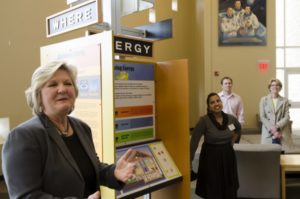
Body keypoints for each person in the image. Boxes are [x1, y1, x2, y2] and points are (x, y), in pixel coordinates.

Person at [2, 61, 138, 199]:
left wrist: (113, 173)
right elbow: (26, 196)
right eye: (53, 84)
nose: (62, 89)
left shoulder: (82, 128)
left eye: (68, 83)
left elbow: (91, 168)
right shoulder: (23, 136)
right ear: (38, 96)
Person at [190, 92, 241, 199]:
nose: (216, 104)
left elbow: (238, 129)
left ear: (221, 102)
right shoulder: (204, 121)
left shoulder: (231, 118)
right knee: (213, 186)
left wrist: (232, 142)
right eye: (212, 102)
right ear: (208, 106)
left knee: (228, 184)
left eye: (218, 101)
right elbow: (194, 140)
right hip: (210, 157)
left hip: (227, 155)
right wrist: (189, 161)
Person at [259, 78, 294, 152]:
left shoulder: (285, 100)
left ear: (280, 87)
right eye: (273, 85)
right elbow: (262, 117)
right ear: (269, 87)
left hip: (282, 131)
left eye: (277, 85)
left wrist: (277, 127)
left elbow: (287, 117)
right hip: (268, 131)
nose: (275, 86)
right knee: (268, 155)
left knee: (282, 156)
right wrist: (273, 130)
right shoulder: (263, 100)